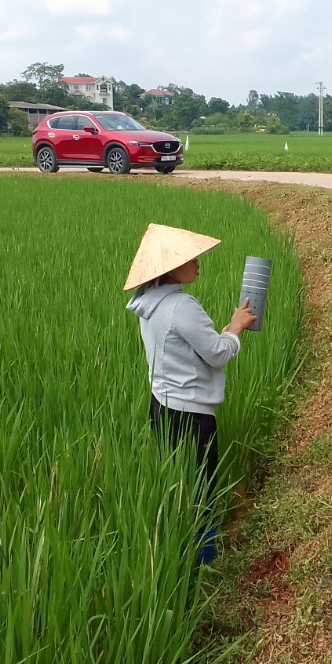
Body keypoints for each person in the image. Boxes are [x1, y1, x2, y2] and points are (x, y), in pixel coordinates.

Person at [124, 223, 257, 561]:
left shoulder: (147, 303)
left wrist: (226, 330)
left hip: (161, 405)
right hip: (192, 414)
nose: (198, 262)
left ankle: (176, 549)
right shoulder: (182, 307)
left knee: (178, 483)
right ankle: (205, 560)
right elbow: (217, 353)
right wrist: (236, 330)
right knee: (202, 487)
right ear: (170, 268)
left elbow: (194, 346)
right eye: (190, 258)